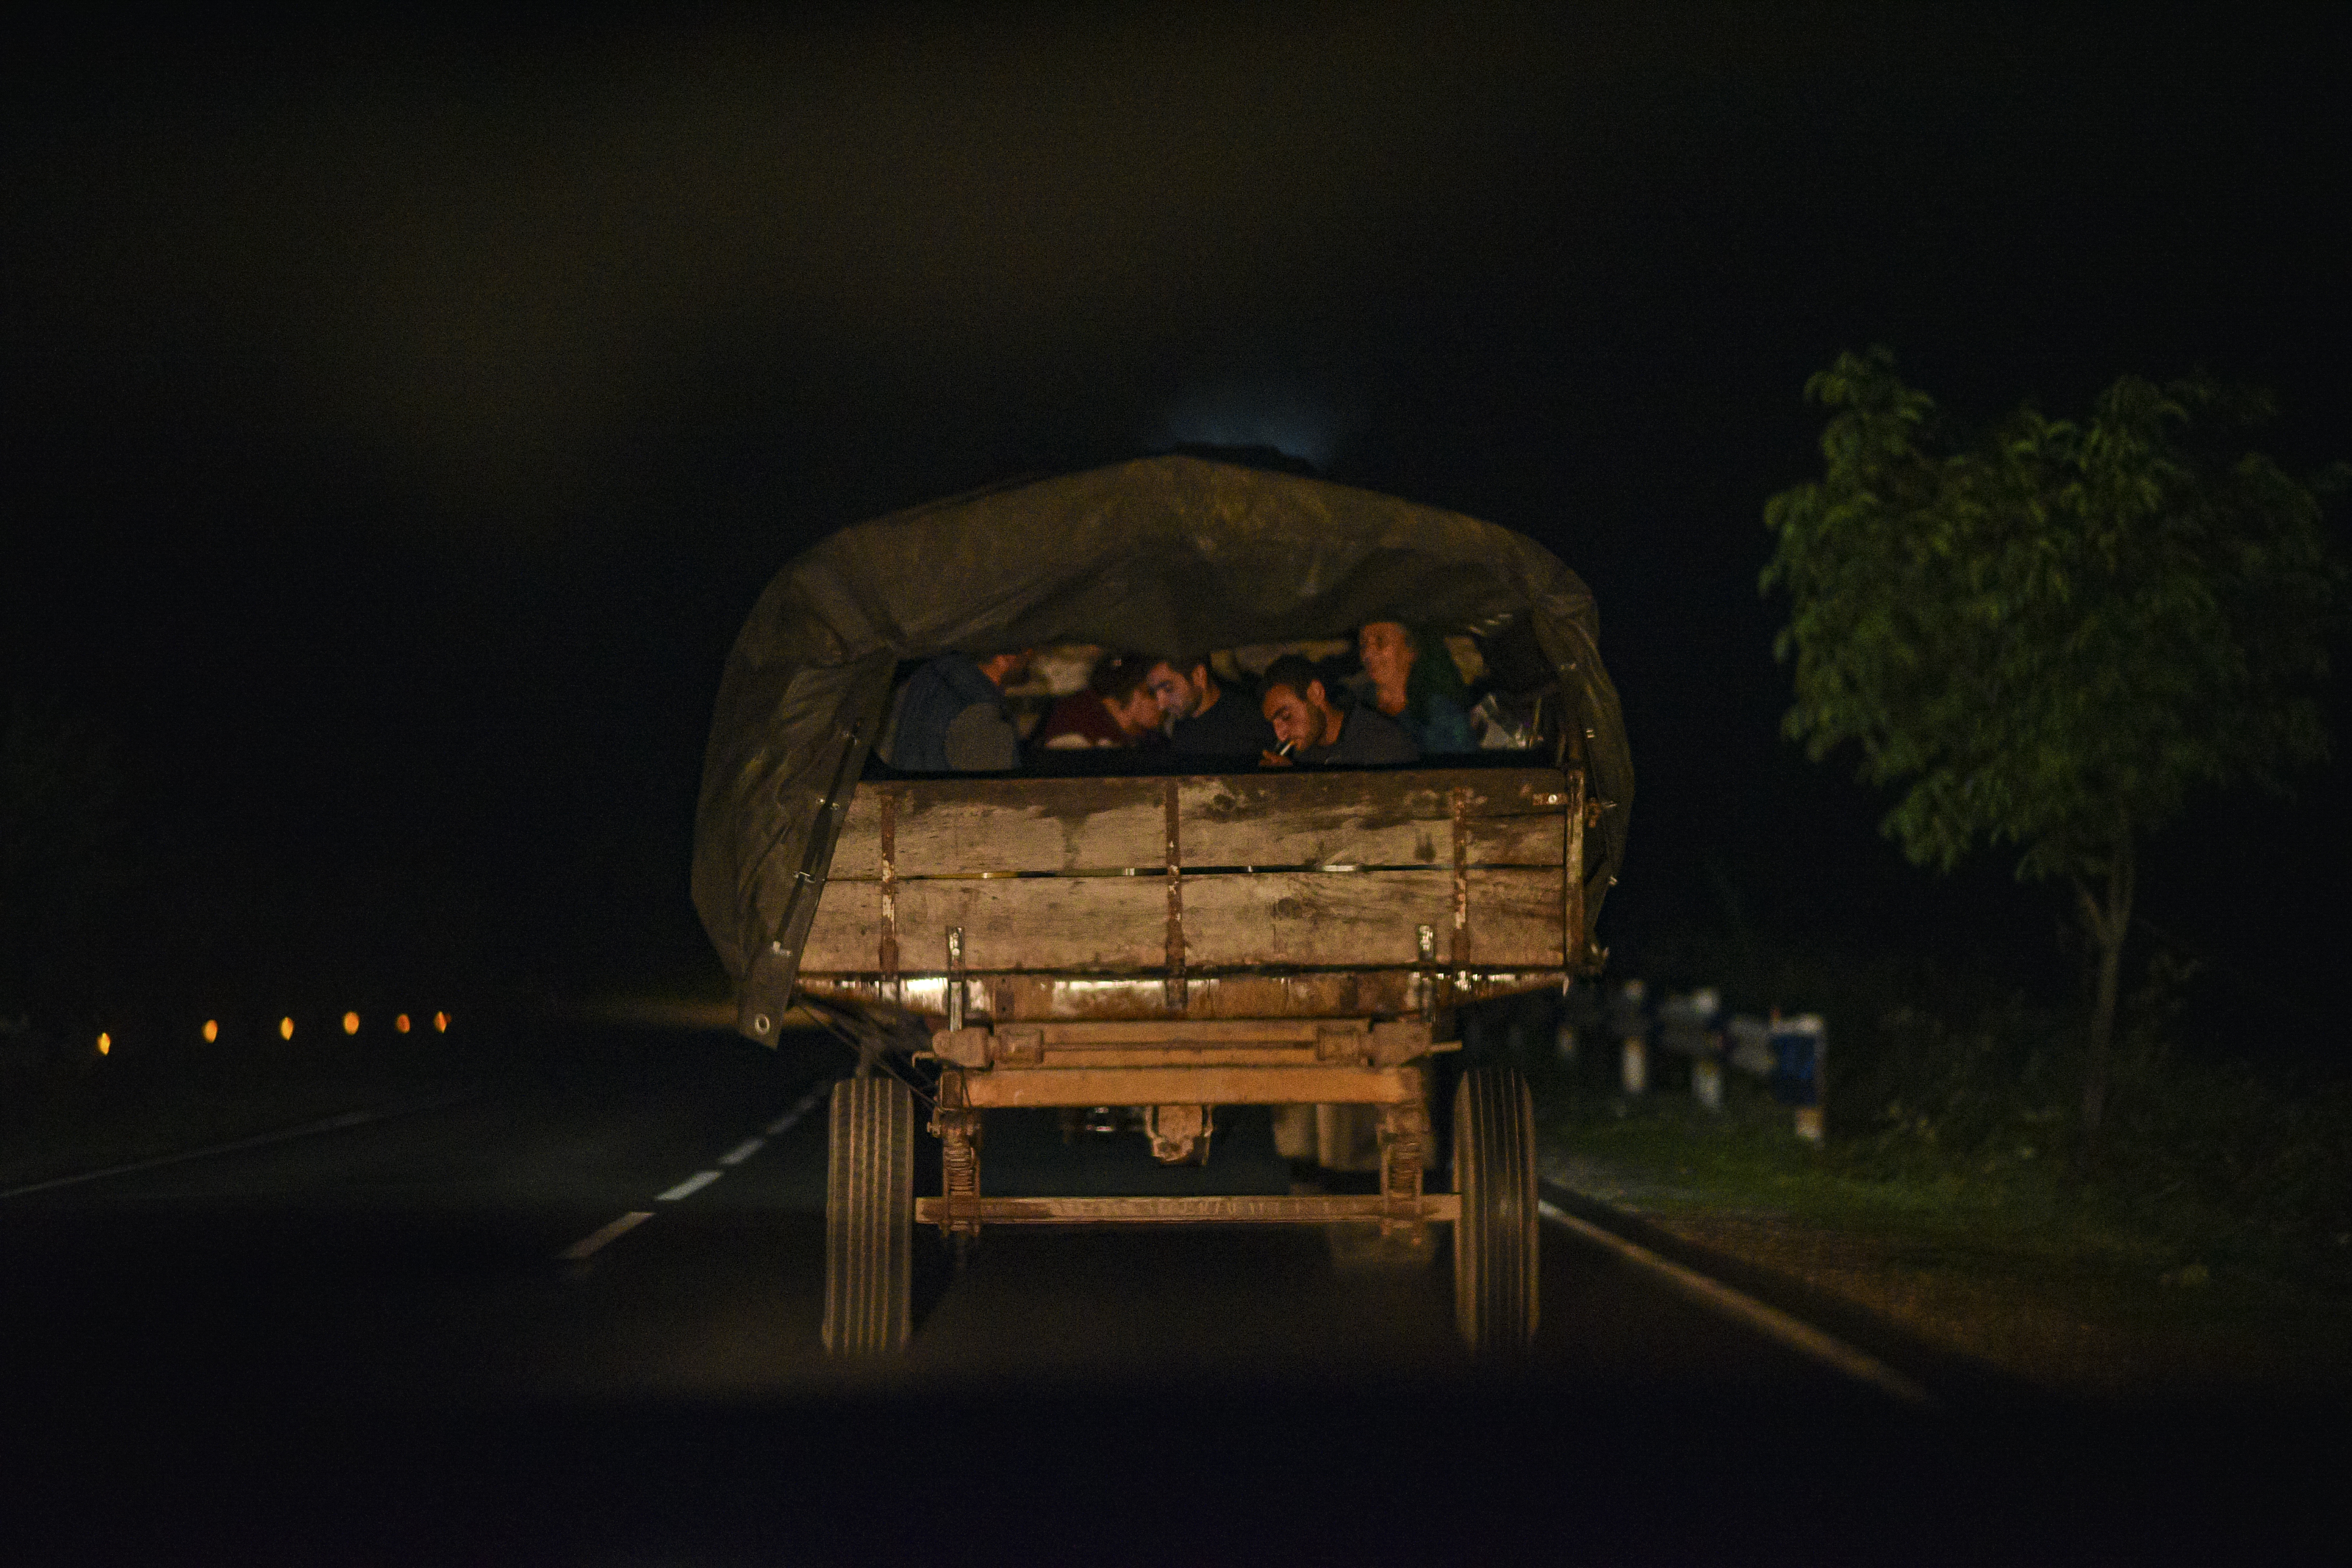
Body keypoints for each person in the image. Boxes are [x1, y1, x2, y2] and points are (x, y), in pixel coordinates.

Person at [881, 649, 1032, 770]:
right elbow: (995, 794)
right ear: (1007, 657)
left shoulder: (932, 672)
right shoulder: (984, 709)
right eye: (1028, 649)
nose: (1032, 653)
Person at [1256, 653, 1417, 766]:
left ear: (1316, 693)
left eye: (1286, 716)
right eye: (1274, 724)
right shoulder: (1303, 754)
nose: (1280, 735)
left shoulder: (1383, 743)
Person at [1356, 621, 1478, 755]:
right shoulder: (1355, 706)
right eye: (1364, 645)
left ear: (1410, 652)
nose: (1368, 654)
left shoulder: (1442, 714)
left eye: (1381, 642)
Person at [1146, 656, 1279, 759]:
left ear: (1199, 676)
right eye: (1155, 693)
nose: (1161, 705)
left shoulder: (1249, 719)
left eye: (1168, 688)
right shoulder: (1182, 728)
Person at [1035, 654, 1164, 750]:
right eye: (1152, 693)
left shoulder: (1148, 738)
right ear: (1114, 702)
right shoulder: (1076, 733)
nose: (1162, 703)